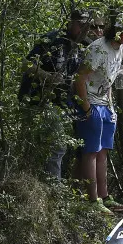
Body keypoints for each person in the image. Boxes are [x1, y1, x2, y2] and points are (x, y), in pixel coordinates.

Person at [18, 10, 91, 180]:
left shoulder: (82, 46)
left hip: (61, 103)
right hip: (37, 99)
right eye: (80, 24)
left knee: (63, 146)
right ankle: (49, 187)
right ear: (71, 22)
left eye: (87, 25)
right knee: (54, 145)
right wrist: (47, 76)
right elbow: (26, 64)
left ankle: (48, 186)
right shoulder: (52, 39)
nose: (83, 29)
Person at [73, 13, 123, 215]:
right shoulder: (99, 48)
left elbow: (110, 80)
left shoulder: (121, 49)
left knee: (103, 151)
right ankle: (92, 200)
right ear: (112, 29)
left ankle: (104, 197)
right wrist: (87, 108)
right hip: (89, 102)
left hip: (105, 104)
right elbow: (80, 79)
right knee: (90, 150)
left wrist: (111, 107)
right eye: (120, 30)